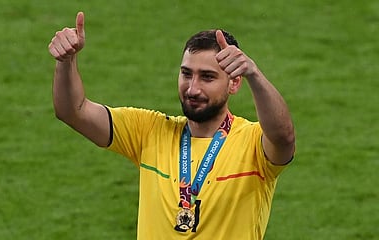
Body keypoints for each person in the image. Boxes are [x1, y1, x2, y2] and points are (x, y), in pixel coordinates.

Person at [48, 11, 295, 240]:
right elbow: (73, 111)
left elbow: (283, 138)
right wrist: (66, 61)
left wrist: (254, 74)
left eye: (207, 77)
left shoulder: (252, 143)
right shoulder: (149, 130)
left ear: (234, 83)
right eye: (187, 74)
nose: (193, 88)